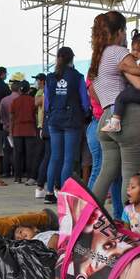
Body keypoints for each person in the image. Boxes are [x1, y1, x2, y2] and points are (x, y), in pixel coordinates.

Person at [90, 11, 140, 217]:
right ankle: (130, 228)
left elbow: (92, 91)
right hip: (128, 117)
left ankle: (89, 219)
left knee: (105, 173)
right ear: (119, 31)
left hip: (105, 118)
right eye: (125, 30)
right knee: (131, 178)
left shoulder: (97, 57)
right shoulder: (119, 52)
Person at [42, 46, 90, 204]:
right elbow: (85, 102)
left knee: (55, 156)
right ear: (72, 59)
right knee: (68, 158)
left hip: (54, 119)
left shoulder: (50, 77)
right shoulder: (78, 77)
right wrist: (84, 112)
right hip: (72, 120)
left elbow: (47, 102)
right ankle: (63, 194)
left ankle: (49, 192)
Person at [100, 32, 140, 133]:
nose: (135, 53)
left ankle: (115, 123)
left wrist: (125, 68)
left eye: (139, 51)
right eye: (133, 50)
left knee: (120, 98)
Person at [10, 80, 38, 185]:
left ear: (19, 90)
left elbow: (12, 117)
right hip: (30, 129)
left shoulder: (15, 101)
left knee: (17, 154)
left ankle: (18, 177)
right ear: (28, 89)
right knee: (29, 154)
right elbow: (35, 116)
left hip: (17, 130)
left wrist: (10, 131)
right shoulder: (32, 100)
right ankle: (29, 176)